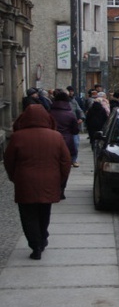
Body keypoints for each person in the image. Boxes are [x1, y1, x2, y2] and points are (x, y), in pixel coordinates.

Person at [4, 105, 72, 260]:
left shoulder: (18, 137)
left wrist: (14, 176)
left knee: (28, 214)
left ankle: (35, 244)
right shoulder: (55, 136)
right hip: (49, 180)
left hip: (25, 180)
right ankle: (42, 237)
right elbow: (65, 161)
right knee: (44, 211)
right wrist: (60, 179)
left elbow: (9, 160)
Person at [49, 90, 79, 196]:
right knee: (65, 167)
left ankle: (52, 187)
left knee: (51, 166)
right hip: (66, 142)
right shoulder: (70, 114)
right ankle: (61, 189)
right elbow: (75, 130)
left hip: (51, 142)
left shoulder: (49, 113)